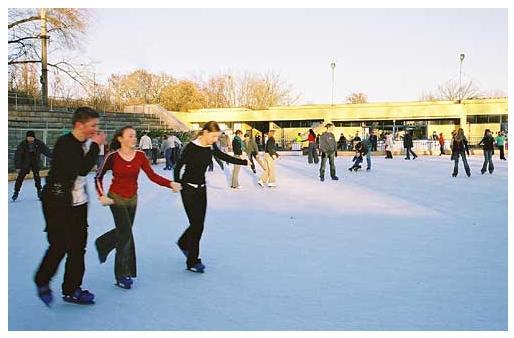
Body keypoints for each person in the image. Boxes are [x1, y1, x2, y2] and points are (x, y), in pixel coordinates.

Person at [34, 107, 106, 306]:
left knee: (78, 248)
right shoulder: (65, 143)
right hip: (57, 202)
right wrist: (96, 147)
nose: (96, 129)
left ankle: (72, 289)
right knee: (60, 245)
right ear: (79, 125)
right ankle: (42, 280)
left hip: (78, 204)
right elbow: (80, 169)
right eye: (93, 125)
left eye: (97, 126)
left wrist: (93, 146)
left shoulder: (86, 143)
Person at [94, 126, 181, 289]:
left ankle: (103, 243)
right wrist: (101, 195)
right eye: (130, 136)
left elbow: (152, 176)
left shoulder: (140, 156)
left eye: (135, 136)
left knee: (123, 233)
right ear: (120, 139)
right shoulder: (112, 156)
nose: (134, 139)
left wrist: (170, 183)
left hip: (132, 199)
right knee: (126, 234)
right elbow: (98, 177)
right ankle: (122, 274)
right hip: (116, 198)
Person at [174, 121, 248, 273]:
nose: (215, 140)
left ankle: (183, 242)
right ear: (205, 132)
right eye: (214, 136)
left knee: (199, 225)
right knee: (196, 225)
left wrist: (241, 161)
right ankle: (193, 261)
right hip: (188, 189)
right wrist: (177, 183)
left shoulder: (210, 146)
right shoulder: (191, 147)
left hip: (202, 189)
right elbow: (179, 166)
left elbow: (221, 156)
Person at [13, 130, 53, 201]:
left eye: (32, 138)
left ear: (34, 138)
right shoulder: (23, 144)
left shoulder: (39, 143)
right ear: (26, 138)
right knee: (20, 178)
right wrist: (18, 166)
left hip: (35, 162)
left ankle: (39, 191)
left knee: (37, 178)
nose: (30, 139)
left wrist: (53, 156)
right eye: (29, 138)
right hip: (25, 163)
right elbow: (18, 155)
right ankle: (16, 192)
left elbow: (46, 151)